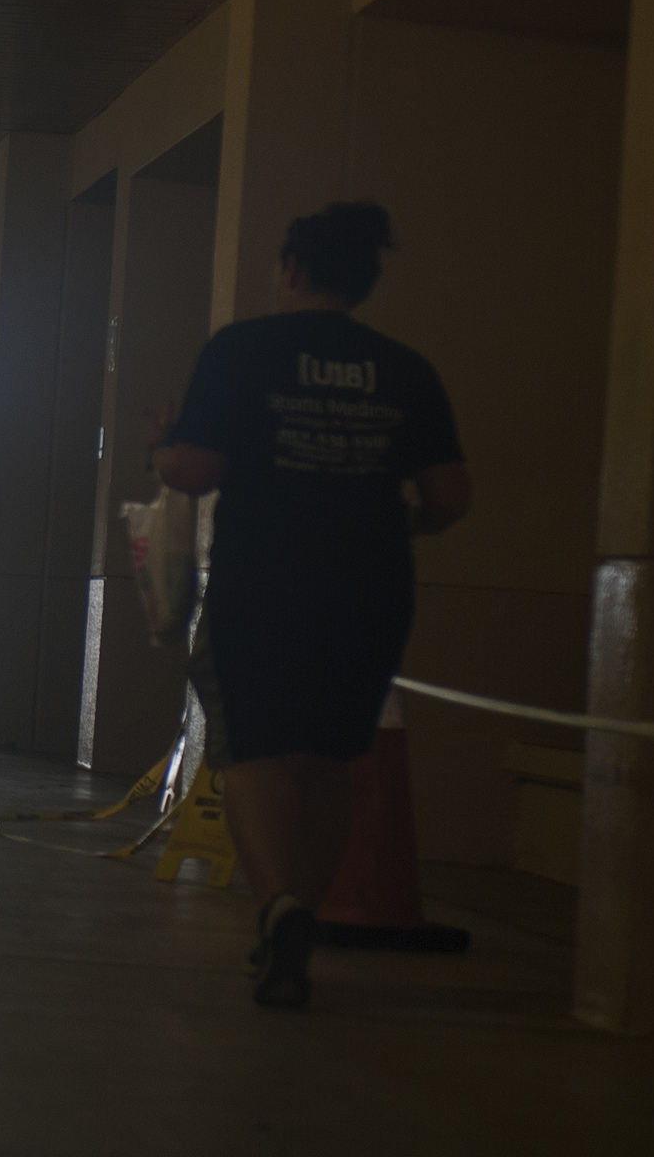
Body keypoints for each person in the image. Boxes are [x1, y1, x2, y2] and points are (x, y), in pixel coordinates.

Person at [150, 202, 470, 1010]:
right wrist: (407, 520)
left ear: (291, 269)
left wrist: (162, 447)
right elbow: (450, 496)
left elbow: (195, 470)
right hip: (371, 585)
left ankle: (278, 907)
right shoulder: (407, 370)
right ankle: (307, 916)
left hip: (263, 577)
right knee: (333, 758)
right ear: (364, 279)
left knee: (255, 751)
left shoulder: (243, 350)